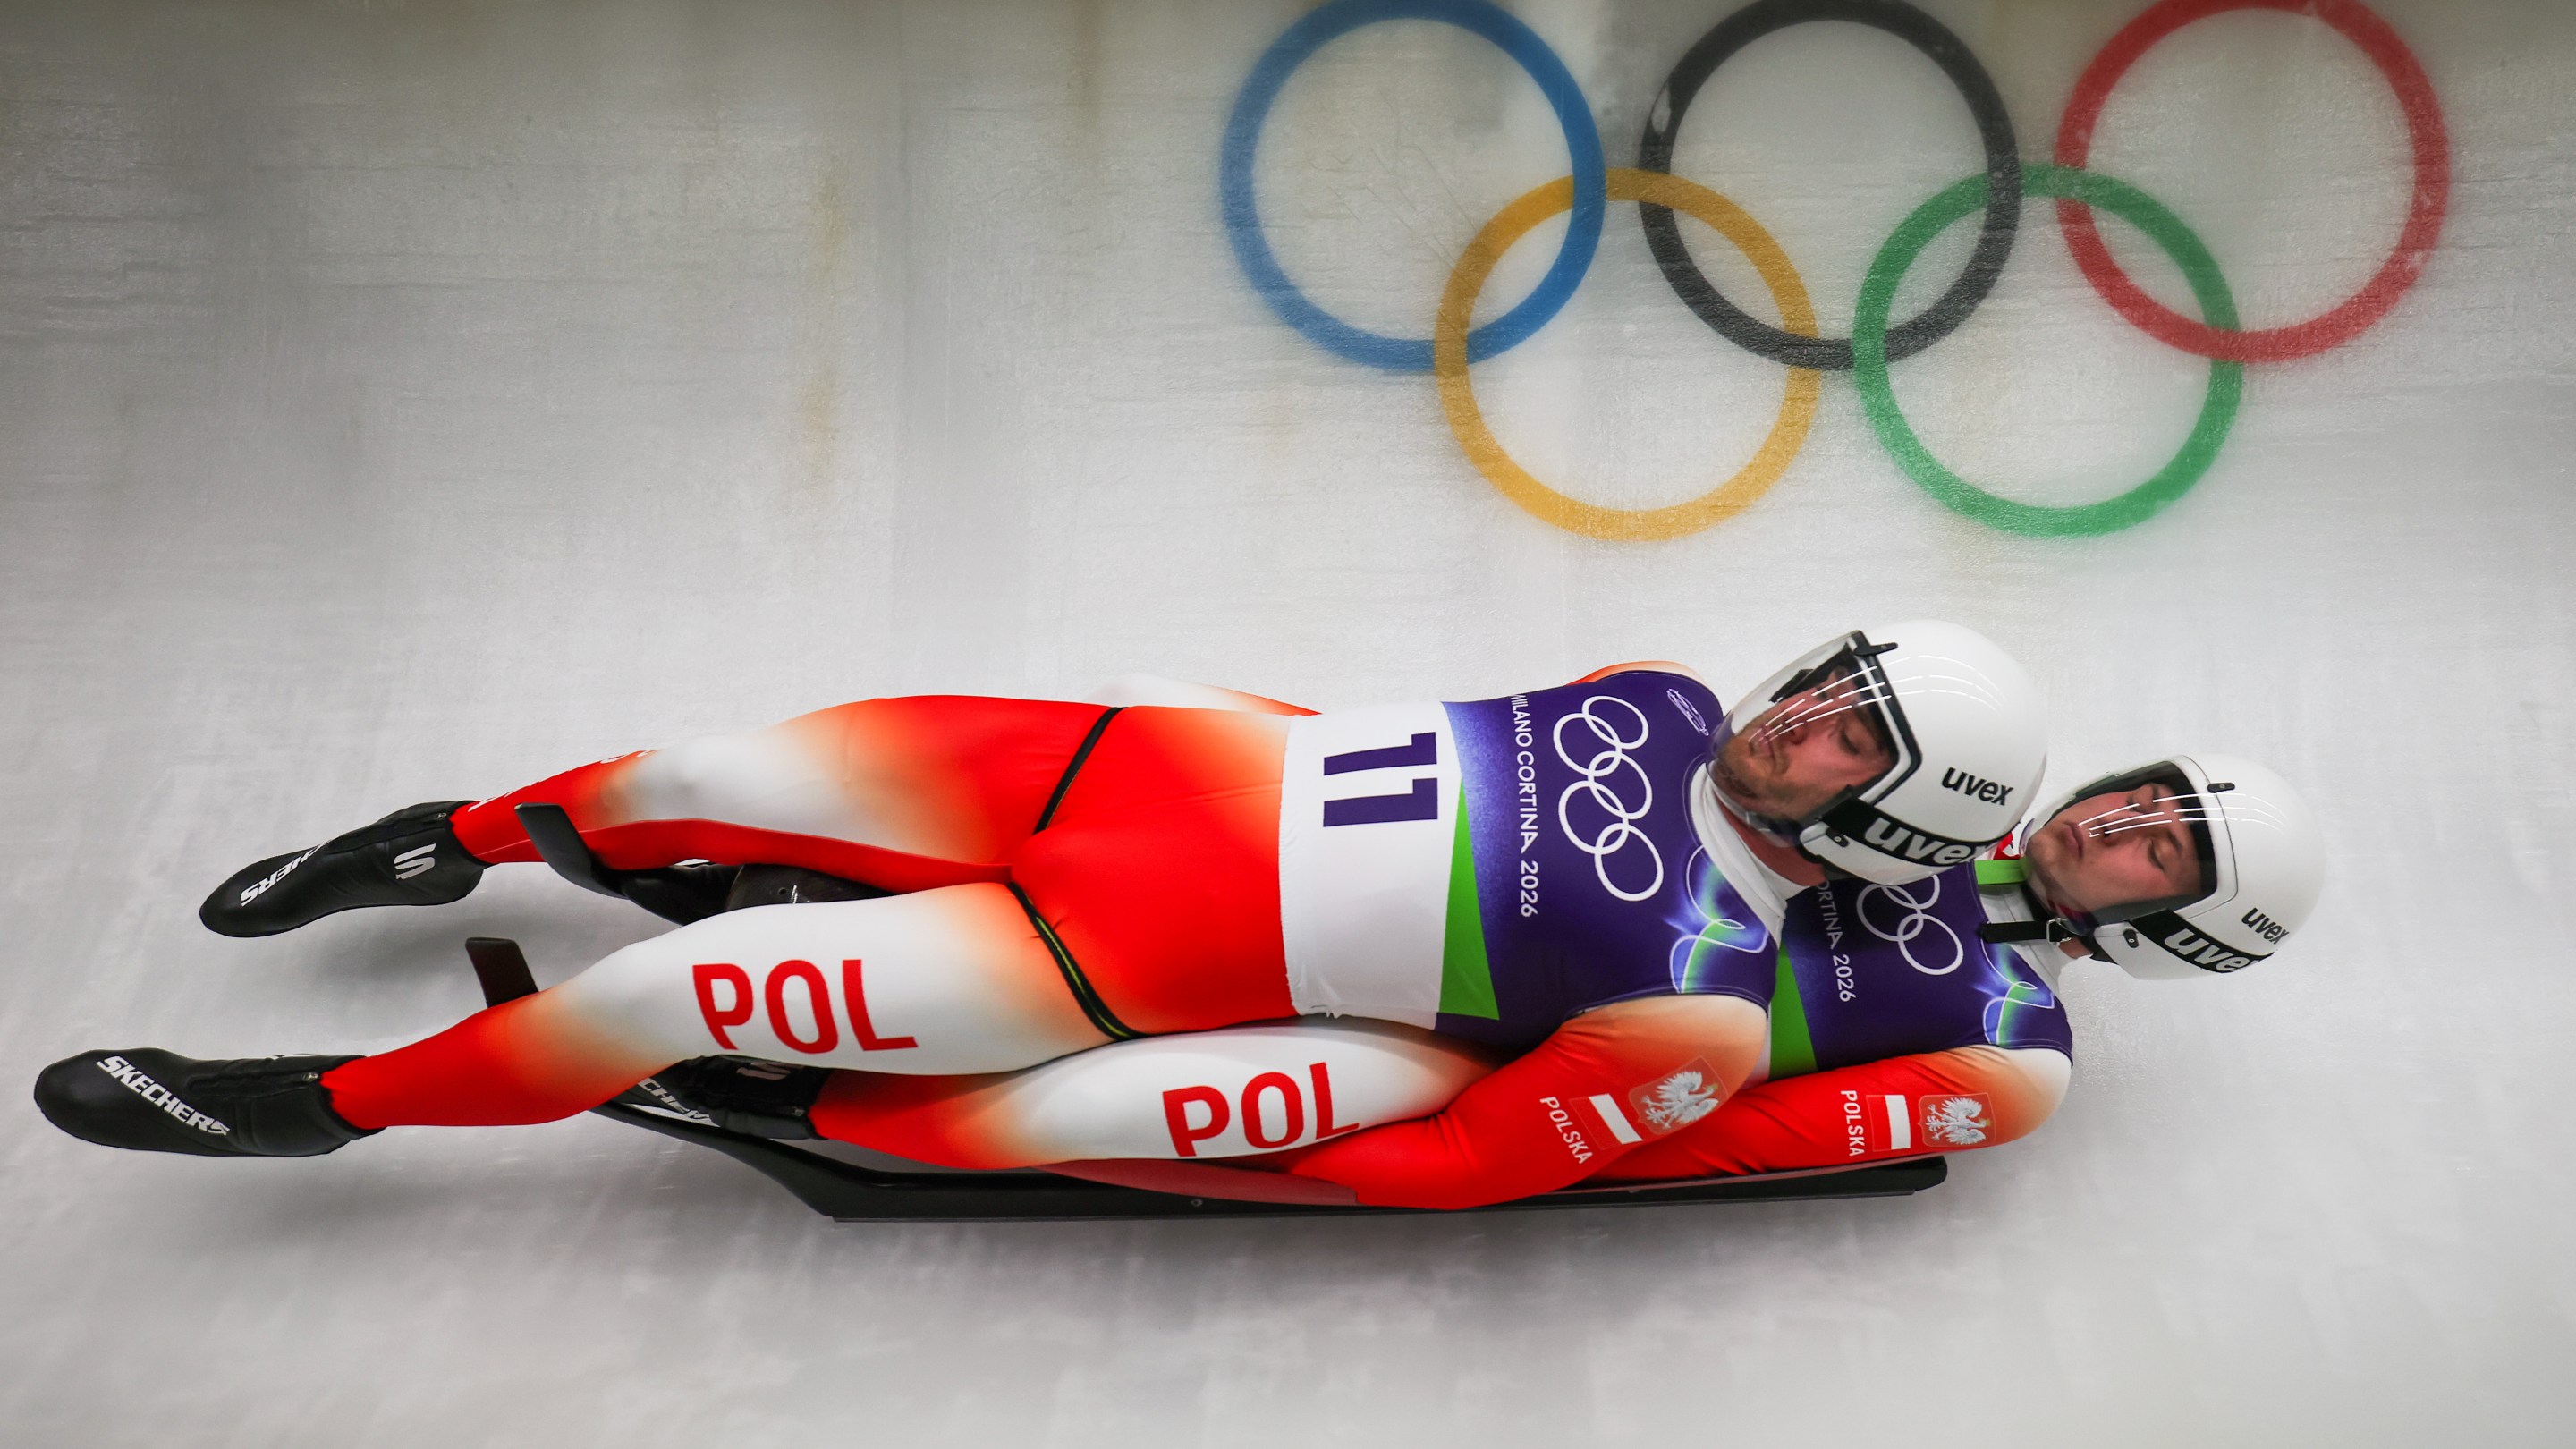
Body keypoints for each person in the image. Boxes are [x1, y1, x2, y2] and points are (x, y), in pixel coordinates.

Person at [35, 622, 2048, 1212]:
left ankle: (331, 1103)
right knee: (701, 772)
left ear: (1889, 818)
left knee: (676, 985)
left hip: (1093, 970)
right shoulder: (1669, 694)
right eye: (1827, 674)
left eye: (1843, 730)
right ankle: (441, 835)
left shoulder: (1691, 1003)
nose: (1793, 710)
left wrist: (1143, 1135)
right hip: (1094, 770)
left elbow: (1441, 1163)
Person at [611, 750, 2326, 1208]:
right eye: (2148, 793)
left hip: (1485, 1052)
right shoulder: (1938, 782)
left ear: (2168, 932)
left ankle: (840, 1111)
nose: (2119, 818)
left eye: (2166, 848)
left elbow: (1723, 1135)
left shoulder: (2015, 1052)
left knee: (1156, 1101)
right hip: (1451, 897)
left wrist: (1524, 1143)